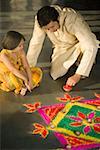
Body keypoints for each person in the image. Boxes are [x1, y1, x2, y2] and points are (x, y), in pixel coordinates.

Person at [27, 5, 100, 91]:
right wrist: (28, 69)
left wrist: (78, 75)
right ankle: (75, 62)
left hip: (79, 43)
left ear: (58, 19)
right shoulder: (40, 20)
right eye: (47, 29)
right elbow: (36, 43)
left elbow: (90, 45)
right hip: (62, 46)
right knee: (55, 73)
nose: (50, 30)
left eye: (52, 26)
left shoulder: (72, 19)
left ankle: (80, 60)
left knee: (91, 45)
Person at [0, 31, 42, 95]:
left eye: (23, 44)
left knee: (37, 73)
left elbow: (26, 66)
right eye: (20, 46)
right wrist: (25, 79)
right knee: (13, 81)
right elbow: (12, 70)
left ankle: (25, 85)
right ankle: (23, 85)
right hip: (7, 74)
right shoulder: (4, 55)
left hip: (19, 70)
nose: (22, 47)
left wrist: (30, 80)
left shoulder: (21, 51)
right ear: (12, 45)